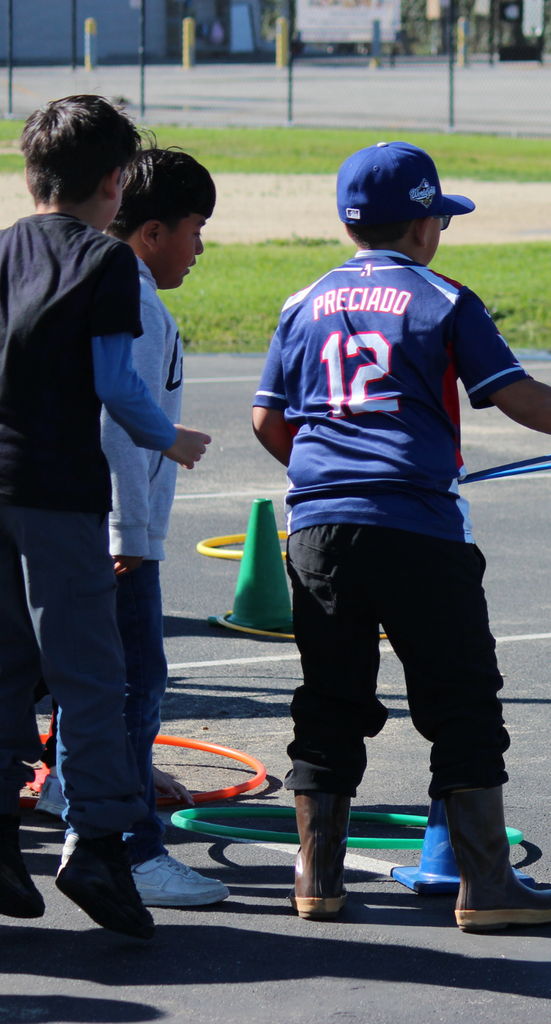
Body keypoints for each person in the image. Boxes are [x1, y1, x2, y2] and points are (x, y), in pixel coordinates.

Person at [252, 141, 551, 932]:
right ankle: (485, 885)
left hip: (317, 530)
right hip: (418, 530)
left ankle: (316, 878)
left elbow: (268, 418)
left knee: (328, 697)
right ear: (424, 224)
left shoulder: (302, 300)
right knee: (460, 699)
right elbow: (512, 393)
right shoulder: (443, 299)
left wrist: (331, 478)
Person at [0, 95, 210, 940]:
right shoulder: (107, 264)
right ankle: (97, 848)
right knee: (93, 681)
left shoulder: (4, 248)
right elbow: (119, 388)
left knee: (8, 671)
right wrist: (173, 438)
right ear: (117, 184)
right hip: (57, 496)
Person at [102, 147, 228, 907]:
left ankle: (77, 794)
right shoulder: (139, 305)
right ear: (150, 231)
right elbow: (118, 427)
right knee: (135, 685)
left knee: (78, 681)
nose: (201, 247)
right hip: (113, 534)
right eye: (194, 229)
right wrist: (132, 538)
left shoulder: (87, 279)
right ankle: (132, 850)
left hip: (68, 524)